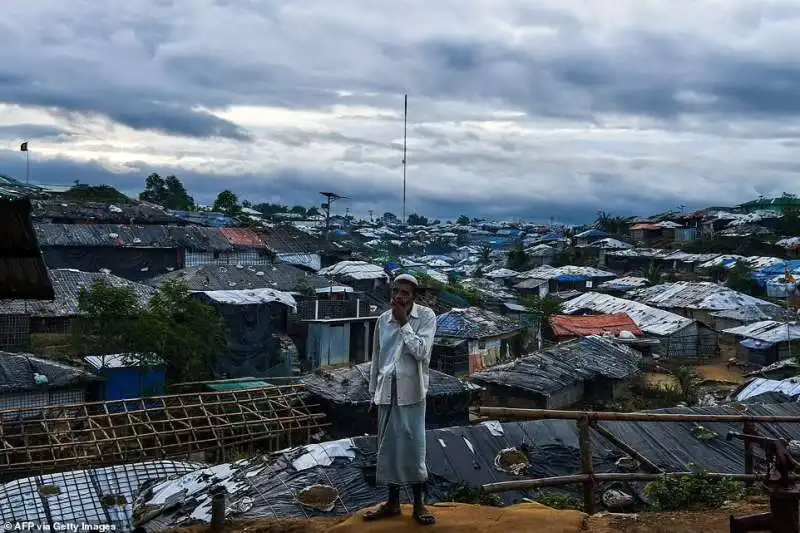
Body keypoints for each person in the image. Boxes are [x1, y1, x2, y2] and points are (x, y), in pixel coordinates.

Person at [364, 273, 437, 525]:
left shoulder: (426, 317)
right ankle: (393, 503)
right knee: (388, 449)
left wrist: (405, 323)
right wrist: (374, 396)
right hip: (386, 392)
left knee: (414, 448)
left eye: (405, 293)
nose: (399, 296)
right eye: (396, 291)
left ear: (414, 296)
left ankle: (419, 504)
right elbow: (377, 360)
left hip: (412, 394)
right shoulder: (382, 320)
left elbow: (421, 352)